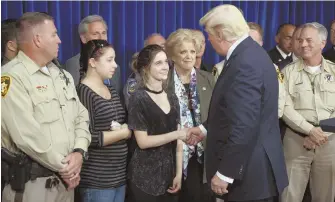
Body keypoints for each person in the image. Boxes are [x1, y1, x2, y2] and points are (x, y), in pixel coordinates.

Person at [187, 5, 288, 202]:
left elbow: (244, 125)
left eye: (209, 34)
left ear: (222, 34)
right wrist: (204, 129)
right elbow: (233, 109)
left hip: (249, 177)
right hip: (253, 172)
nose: (208, 40)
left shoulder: (245, 63)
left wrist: (225, 173)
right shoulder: (249, 53)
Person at [1, 12, 91, 202]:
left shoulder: (62, 75)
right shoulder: (11, 77)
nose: (59, 40)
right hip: (32, 187)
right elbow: (26, 135)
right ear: (37, 40)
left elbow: (81, 115)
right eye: (54, 34)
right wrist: (66, 169)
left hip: (65, 183)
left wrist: (79, 152)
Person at [280, 22, 335, 202]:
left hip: (329, 142)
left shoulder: (334, 71)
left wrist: (320, 133)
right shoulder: (286, 73)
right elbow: (284, 107)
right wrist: (310, 130)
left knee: (326, 196)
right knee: (290, 195)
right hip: (296, 141)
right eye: (300, 40)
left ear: (323, 43)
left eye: (309, 40)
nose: (303, 44)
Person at [127, 44, 187, 202]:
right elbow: (143, 142)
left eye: (166, 62)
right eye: (158, 63)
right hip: (144, 179)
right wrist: (175, 134)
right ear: (146, 67)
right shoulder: (138, 98)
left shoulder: (172, 97)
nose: (165, 67)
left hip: (170, 176)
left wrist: (179, 173)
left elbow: (179, 141)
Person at [76, 39, 131, 202]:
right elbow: (88, 136)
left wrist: (123, 129)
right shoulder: (84, 92)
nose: (114, 65)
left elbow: (122, 121)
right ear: (92, 62)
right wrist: (124, 132)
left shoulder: (111, 90)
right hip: (97, 180)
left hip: (118, 177)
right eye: (109, 60)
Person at [165, 28, 215, 202]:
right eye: (183, 52)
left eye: (192, 51)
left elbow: (218, 114)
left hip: (205, 153)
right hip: (173, 153)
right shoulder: (163, 82)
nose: (188, 56)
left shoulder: (209, 79)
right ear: (172, 56)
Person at [64, 15, 122, 94]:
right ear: (84, 38)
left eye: (104, 33)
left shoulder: (115, 67)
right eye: (95, 34)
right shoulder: (74, 64)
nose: (101, 38)